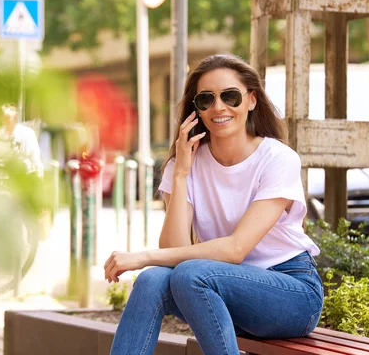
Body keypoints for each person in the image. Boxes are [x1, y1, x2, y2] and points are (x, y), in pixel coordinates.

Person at [104, 54, 323, 355]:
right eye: (206, 100)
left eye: (230, 96)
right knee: (152, 279)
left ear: (251, 100)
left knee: (190, 274)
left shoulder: (277, 159)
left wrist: (143, 256)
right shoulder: (184, 165)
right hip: (216, 292)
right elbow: (175, 250)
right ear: (196, 110)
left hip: (289, 294)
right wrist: (180, 175)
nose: (218, 107)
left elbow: (235, 250)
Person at [0, 103, 43, 177]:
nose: (8, 121)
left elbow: (35, 158)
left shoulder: (27, 133)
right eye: (4, 118)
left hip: (25, 176)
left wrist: (39, 177)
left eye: (10, 117)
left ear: (15, 118)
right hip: (3, 178)